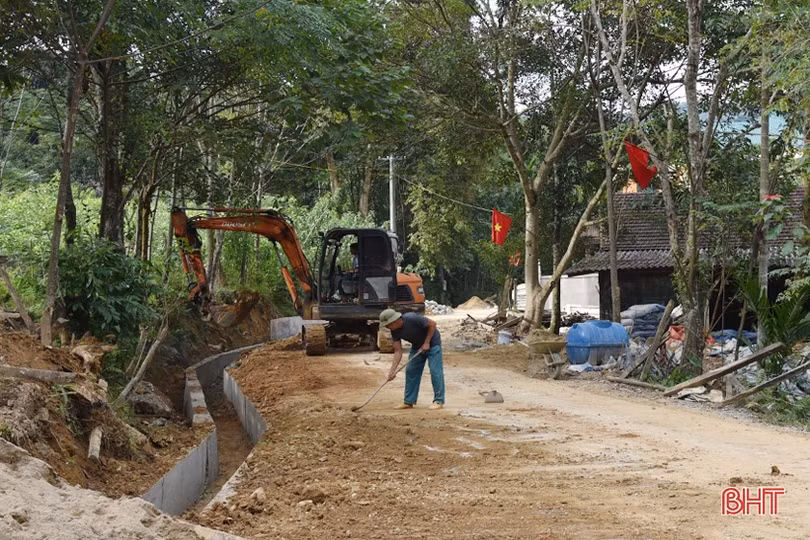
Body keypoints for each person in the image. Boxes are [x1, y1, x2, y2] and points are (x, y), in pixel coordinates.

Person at [379, 309, 445, 410]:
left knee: (435, 371)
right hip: (417, 346)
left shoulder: (412, 318)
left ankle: (438, 400)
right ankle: (409, 401)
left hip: (433, 343)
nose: (387, 327)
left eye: (388, 325)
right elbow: (398, 351)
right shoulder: (394, 331)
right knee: (411, 371)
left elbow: (433, 324)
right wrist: (392, 371)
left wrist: (427, 342)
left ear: (395, 320)